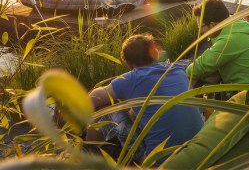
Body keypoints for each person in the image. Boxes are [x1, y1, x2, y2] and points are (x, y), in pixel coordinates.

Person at [87, 34, 204, 164]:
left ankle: (87, 154)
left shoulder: (131, 79)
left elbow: (95, 97)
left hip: (159, 162)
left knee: (103, 110)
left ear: (129, 63)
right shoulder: (177, 69)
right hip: (198, 153)